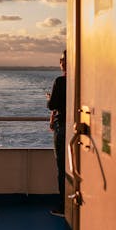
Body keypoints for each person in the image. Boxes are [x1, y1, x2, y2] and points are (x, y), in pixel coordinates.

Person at [46, 49, 67, 216]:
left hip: (62, 128)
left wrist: (49, 99)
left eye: (61, 60)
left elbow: (52, 105)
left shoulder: (60, 81)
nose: (60, 63)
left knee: (62, 167)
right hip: (78, 129)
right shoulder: (83, 81)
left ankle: (64, 206)